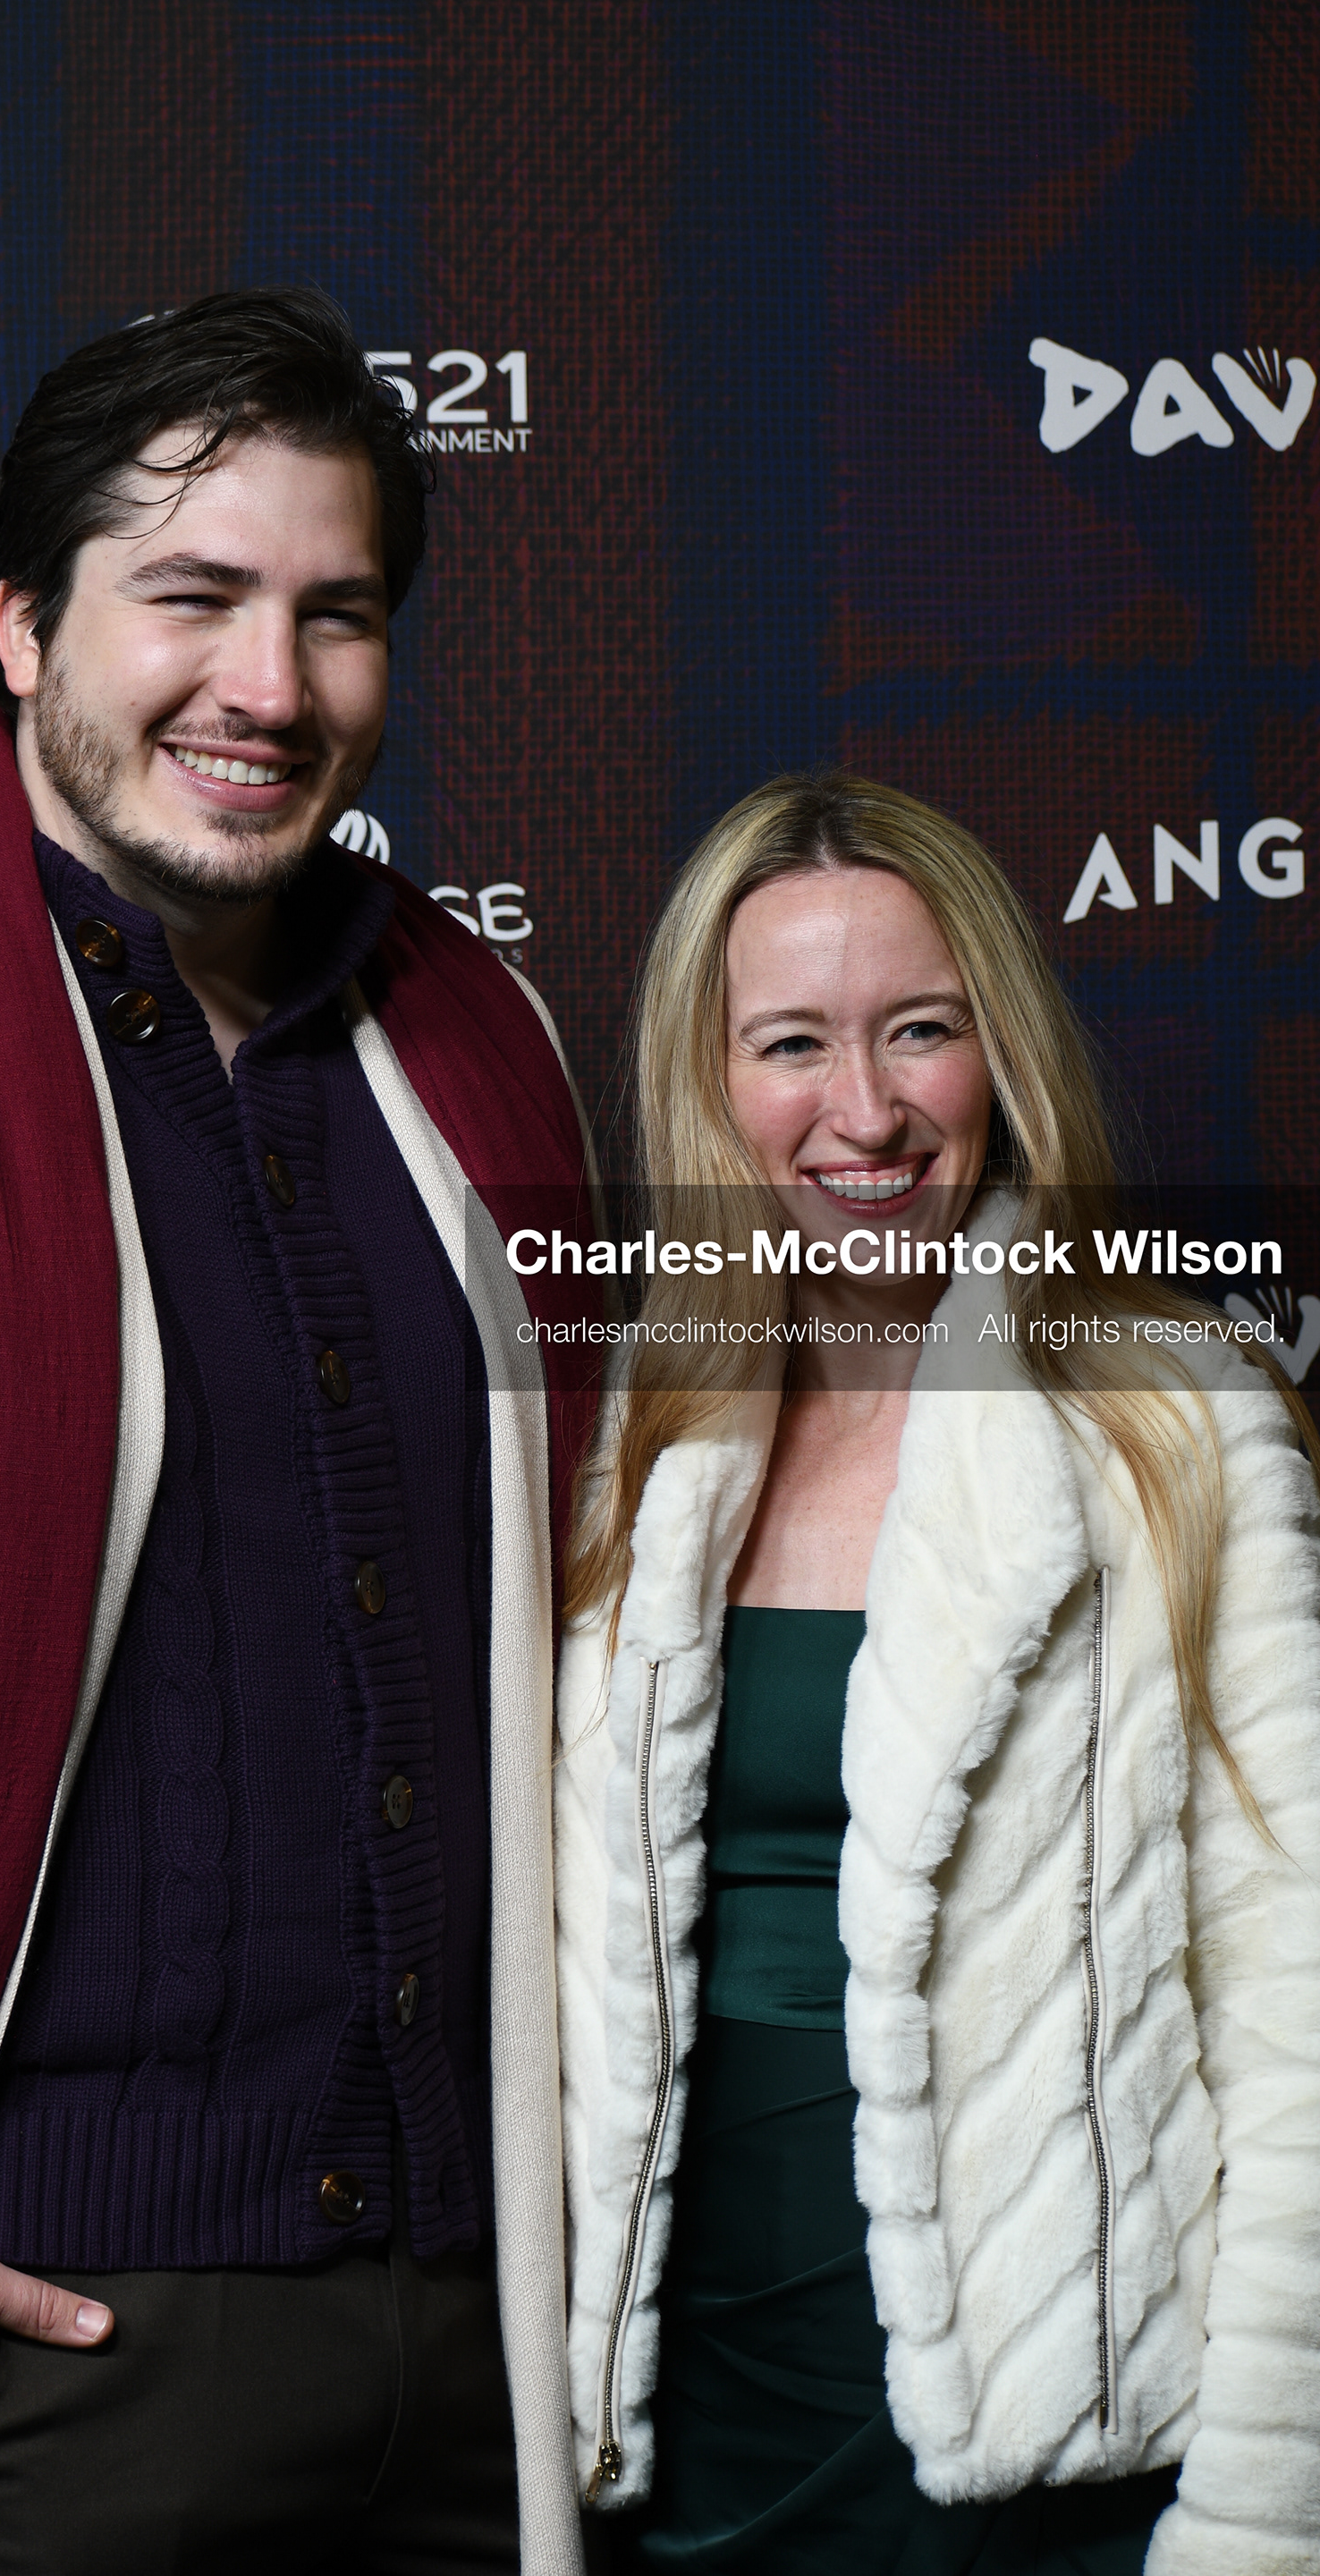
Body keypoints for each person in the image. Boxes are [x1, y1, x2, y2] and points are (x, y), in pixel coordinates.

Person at [0, 285, 603, 2575]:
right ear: (26, 626)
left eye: (335, 614)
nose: (269, 687)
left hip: (470, 2356)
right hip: (18, 2378)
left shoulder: (487, 1058)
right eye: (193, 597)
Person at [555, 772, 1320, 2572]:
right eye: (793, 1046)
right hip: (678, 2424)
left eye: (922, 1032)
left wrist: (1261, 2515)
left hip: (1049, 2451)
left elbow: (1299, 2018)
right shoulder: (632, 1444)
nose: (866, 1112)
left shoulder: (1170, 1426)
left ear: (1004, 1053)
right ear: (713, 1083)